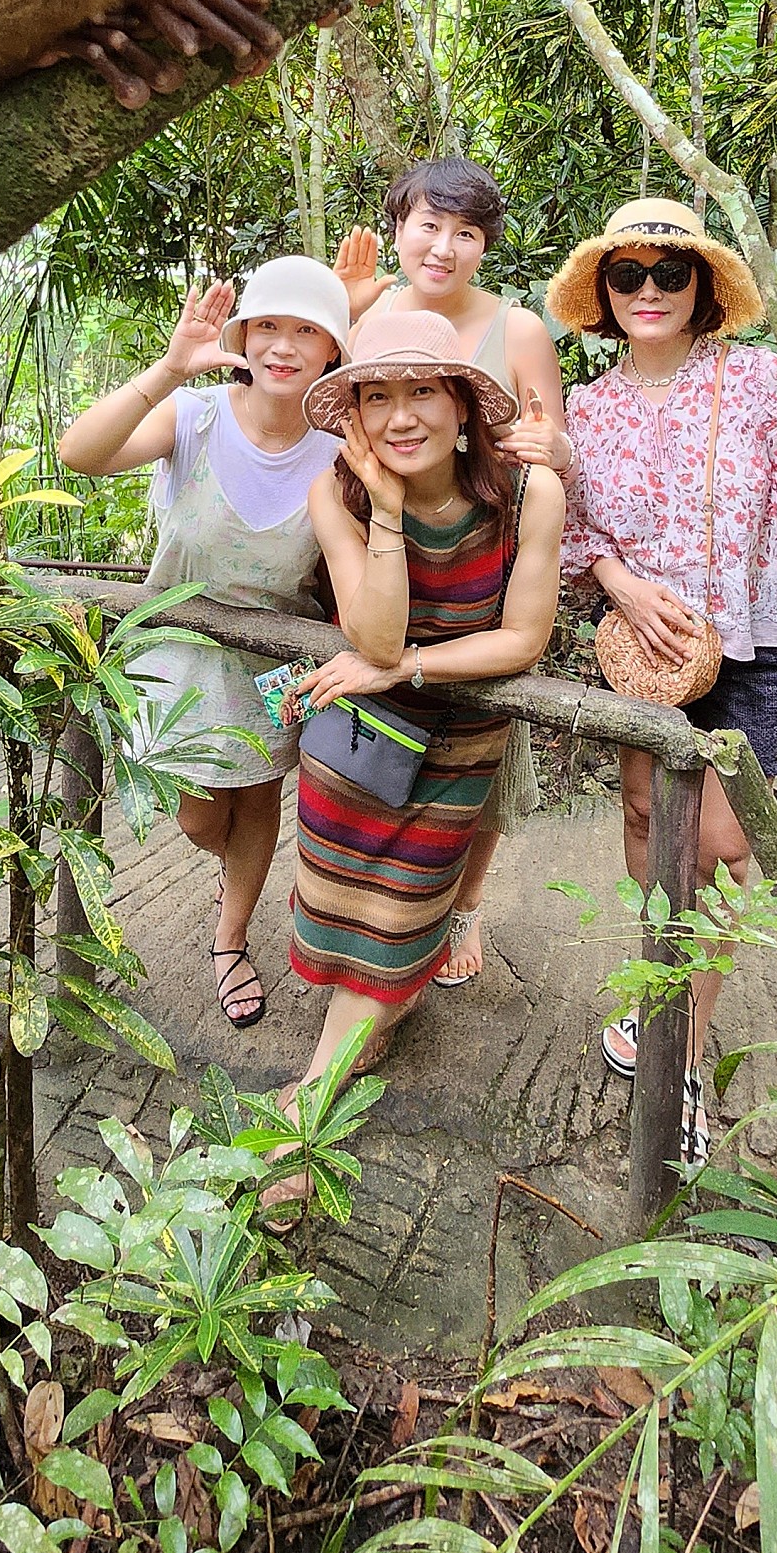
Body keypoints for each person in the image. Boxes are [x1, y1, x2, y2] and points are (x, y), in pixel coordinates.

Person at [546, 196, 777, 1170]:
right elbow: (577, 540)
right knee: (652, 829)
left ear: (701, 288)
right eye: (628, 274)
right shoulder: (586, 407)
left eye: (669, 272)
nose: (648, 289)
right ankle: (660, 992)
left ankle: (679, 1052)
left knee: (726, 843)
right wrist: (620, 584)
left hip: (751, 640)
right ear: (604, 292)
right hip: (644, 657)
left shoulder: (759, 377)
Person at [263, 308, 564, 1216]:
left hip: (460, 731)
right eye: (377, 395)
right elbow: (377, 628)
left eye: (422, 390)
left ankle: (312, 1103)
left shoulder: (527, 492)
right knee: (344, 892)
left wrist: (413, 667)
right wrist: (387, 509)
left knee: (406, 902)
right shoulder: (336, 495)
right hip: (360, 737)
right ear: (352, 413)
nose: (401, 416)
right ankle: (375, 1022)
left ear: (465, 403)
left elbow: (523, 639)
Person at [56, 257, 351, 1031]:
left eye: (307, 331)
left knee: (256, 799)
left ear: (332, 351)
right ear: (243, 337)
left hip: (274, 660)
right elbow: (78, 455)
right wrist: (166, 369)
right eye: (269, 327)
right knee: (199, 819)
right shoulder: (193, 415)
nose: (284, 347)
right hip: (176, 648)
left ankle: (230, 939)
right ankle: (236, 883)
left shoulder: (338, 449)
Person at [332, 158, 572, 985]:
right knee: (381, 748)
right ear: (398, 227)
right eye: (428, 225)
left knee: (486, 757)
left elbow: (554, 443)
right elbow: (318, 417)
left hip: (491, 555)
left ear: (484, 246)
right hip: (388, 552)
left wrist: (544, 456)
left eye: (465, 232)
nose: (443, 246)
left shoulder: (520, 329)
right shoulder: (370, 314)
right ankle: (383, 912)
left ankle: (463, 907)